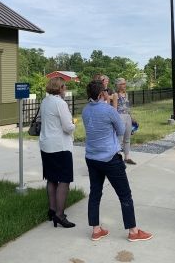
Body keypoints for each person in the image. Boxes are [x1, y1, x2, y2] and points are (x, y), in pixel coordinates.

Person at [82, 79, 152, 242]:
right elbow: (120, 129)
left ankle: (96, 229)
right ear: (102, 94)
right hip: (109, 157)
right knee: (125, 194)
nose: (108, 93)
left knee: (95, 193)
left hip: (92, 157)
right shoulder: (108, 110)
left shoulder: (85, 111)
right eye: (106, 91)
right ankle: (133, 231)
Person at [38, 77, 76, 228]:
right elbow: (67, 127)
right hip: (60, 145)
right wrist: (74, 125)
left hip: (46, 144)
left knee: (52, 178)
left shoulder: (45, 101)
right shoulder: (61, 103)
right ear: (60, 87)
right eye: (64, 86)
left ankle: (52, 210)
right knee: (64, 179)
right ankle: (60, 214)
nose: (65, 88)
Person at [113, 78, 136, 165]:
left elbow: (128, 106)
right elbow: (115, 109)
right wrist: (116, 121)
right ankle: (117, 157)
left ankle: (127, 157)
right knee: (119, 138)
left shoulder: (126, 94)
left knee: (127, 138)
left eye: (125, 83)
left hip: (127, 116)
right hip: (120, 116)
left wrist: (131, 117)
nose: (125, 85)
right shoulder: (116, 95)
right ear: (118, 85)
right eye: (123, 84)